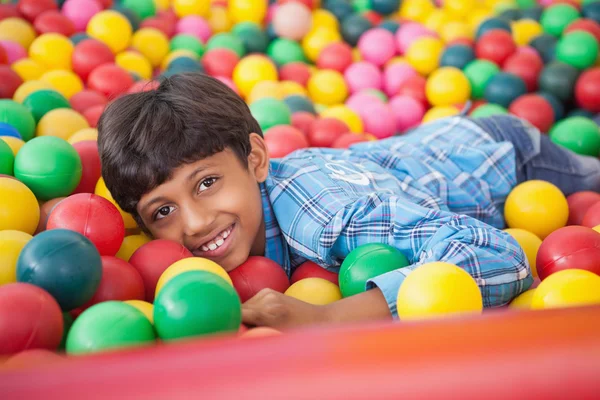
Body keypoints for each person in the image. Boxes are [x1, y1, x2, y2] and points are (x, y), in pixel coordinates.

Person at [97, 73, 600, 329]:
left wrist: (326, 318)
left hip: (501, 158)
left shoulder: (322, 213)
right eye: (163, 211)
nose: (197, 221)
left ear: (254, 160)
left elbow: (498, 255)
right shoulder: (179, 262)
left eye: (207, 182)